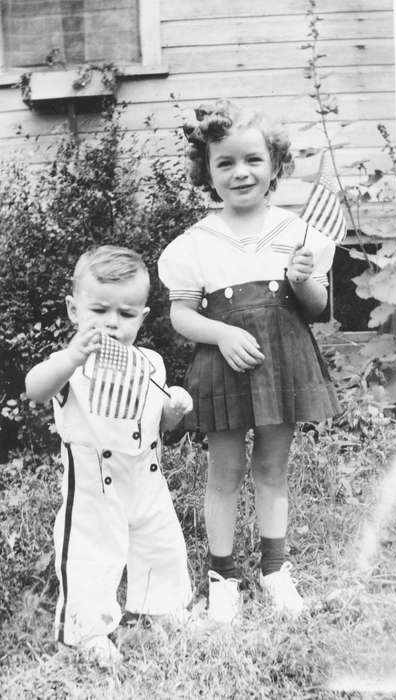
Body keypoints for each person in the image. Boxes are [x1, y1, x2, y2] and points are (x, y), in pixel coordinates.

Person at [158, 101, 340, 624]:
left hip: (282, 363)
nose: (241, 172)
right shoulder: (194, 245)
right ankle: (222, 576)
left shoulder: (296, 232)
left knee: (272, 468)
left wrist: (304, 277)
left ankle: (275, 570)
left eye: (253, 160)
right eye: (226, 163)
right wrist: (223, 333)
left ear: (275, 166)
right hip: (226, 367)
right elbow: (182, 315)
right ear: (207, 173)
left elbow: (316, 308)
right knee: (226, 470)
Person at [25, 245, 193, 666]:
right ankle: (88, 630)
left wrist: (174, 411)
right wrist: (70, 358)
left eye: (126, 314)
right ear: (73, 310)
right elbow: (35, 389)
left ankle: (163, 606)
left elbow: (160, 426)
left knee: (162, 544)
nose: (111, 324)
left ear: (142, 317)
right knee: (90, 554)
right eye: (99, 310)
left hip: (145, 476)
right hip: (93, 482)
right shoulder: (70, 366)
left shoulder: (150, 364)